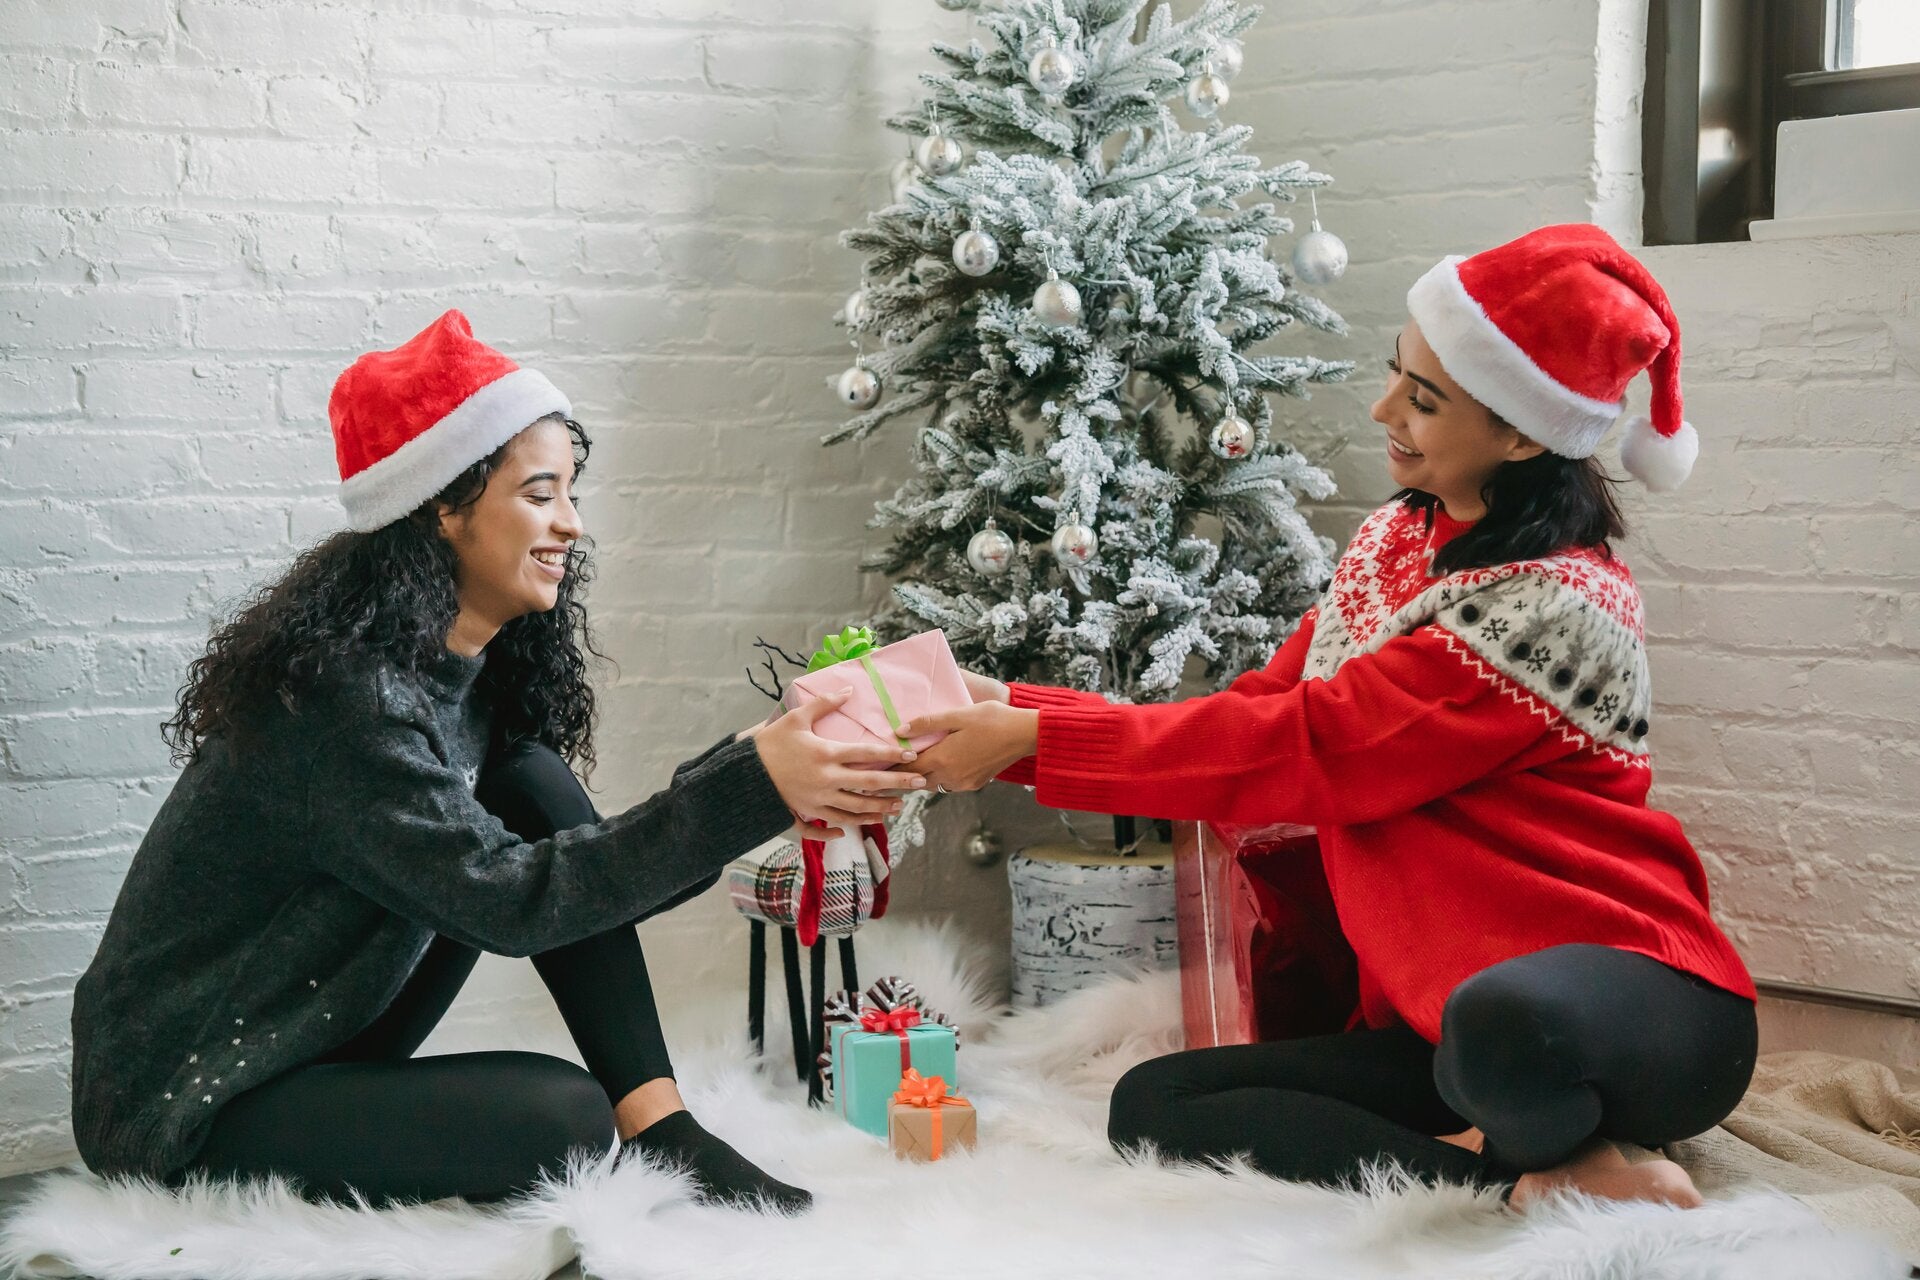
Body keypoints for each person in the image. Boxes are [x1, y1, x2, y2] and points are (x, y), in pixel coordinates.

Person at [899, 225, 1756, 1209]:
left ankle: (1560, 1141)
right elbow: (1261, 709)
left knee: (1500, 1027)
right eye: (1398, 373)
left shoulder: (1552, 608)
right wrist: (1019, 714)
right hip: (1443, 1024)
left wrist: (1038, 741)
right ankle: (1523, 1183)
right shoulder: (1397, 540)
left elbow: (1311, 746)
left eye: (1424, 399)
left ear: (1523, 434)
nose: (1385, 408)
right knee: (1156, 1102)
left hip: (1636, 1003)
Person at [68, 310, 924, 1211]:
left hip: (316, 1039)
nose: (572, 526)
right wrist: (752, 788)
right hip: (191, 1101)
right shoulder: (347, 703)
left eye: (570, 495)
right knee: (562, 1120)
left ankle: (665, 1128)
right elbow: (515, 905)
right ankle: (648, 1130)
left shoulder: (462, 684)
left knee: (528, 782)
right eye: (541, 495)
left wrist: (754, 765)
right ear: (443, 507)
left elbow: (587, 883)